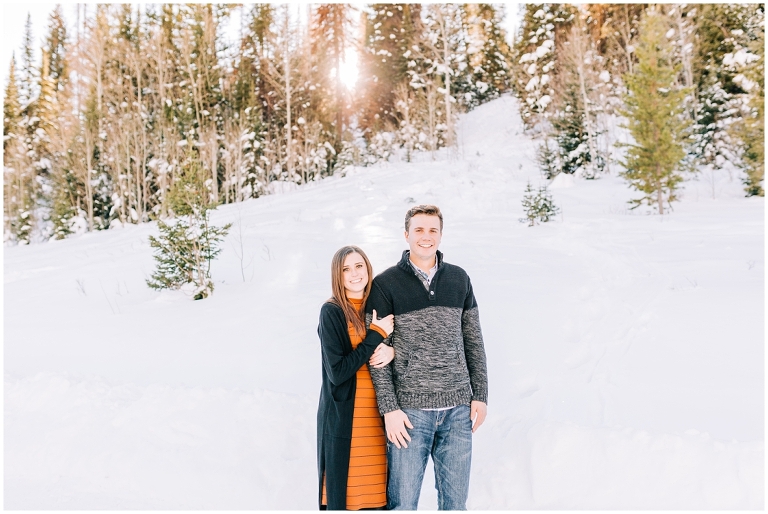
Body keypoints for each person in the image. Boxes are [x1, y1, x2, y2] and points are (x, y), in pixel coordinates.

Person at [366, 205, 489, 511]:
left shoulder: (459, 279)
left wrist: (481, 395)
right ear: (406, 234)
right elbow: (377, 352)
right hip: (409, 415)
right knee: (403, 504)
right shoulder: (385, 283)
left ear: (441, 235)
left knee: (455, 505)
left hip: (457, 412)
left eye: (433, 230)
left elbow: (473, 340)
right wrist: (390, 409)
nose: (426, 236)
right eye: (419, 230)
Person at [317, 245, 396, 510]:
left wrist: (393, 350)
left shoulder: (379, 307)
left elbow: (401, 346)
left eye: (359, 266)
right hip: (345, 422)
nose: (354, 274)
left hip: (377, 420)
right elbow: (337, 372)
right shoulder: (332, 312)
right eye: (345, 269)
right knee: (346, 499)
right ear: (337, 277)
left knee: (377, 500)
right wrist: (375, 335)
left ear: (368, 268)